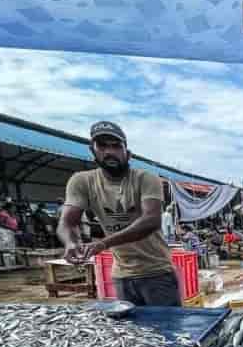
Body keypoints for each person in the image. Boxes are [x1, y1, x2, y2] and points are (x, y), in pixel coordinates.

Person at [58, 121, 180, 307]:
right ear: (93, 152)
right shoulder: (81, 181)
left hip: (157, 272)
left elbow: (151, 220)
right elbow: (68, 221)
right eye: (102, 146)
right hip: (122, 275)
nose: (109, 152)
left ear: (128, 153)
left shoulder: (147, 179)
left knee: (167, 328)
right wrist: (71, 242)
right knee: (131, 331)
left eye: (116, 146)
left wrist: (104, 243)